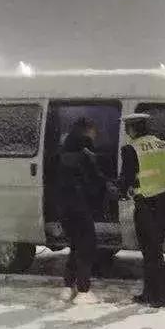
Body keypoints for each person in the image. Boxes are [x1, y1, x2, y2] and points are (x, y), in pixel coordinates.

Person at [118, 113, 165, 307]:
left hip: (146, 204)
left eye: (128, 127)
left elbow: (126, 178)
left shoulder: (130, 149)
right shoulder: (164, 145)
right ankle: (150, 293)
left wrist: (120, 190)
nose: (127, 131)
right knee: (154, 250)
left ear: (133, 128)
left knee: (151, 252)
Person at [56, 117, 115, 304]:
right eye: (93, 130)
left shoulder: (63, 151)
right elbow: (94, 180)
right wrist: (107, 188)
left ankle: (68, 286)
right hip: (81, 206)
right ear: (86, 131)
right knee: (87, 247)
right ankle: (83, 290)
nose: (95, 134)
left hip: (64, 206)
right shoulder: (86, 153)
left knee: (75, 246)